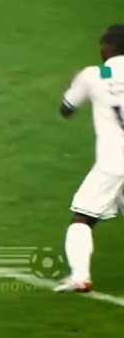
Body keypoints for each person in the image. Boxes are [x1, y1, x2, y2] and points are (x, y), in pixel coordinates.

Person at [54, 24, 124, 293]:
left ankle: (80, 276)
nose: (100, 49)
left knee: (82, 216)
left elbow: (66, 109)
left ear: (110, 47)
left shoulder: (95, 74)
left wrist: (79, 84)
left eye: (102, 44)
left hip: (113, 163)